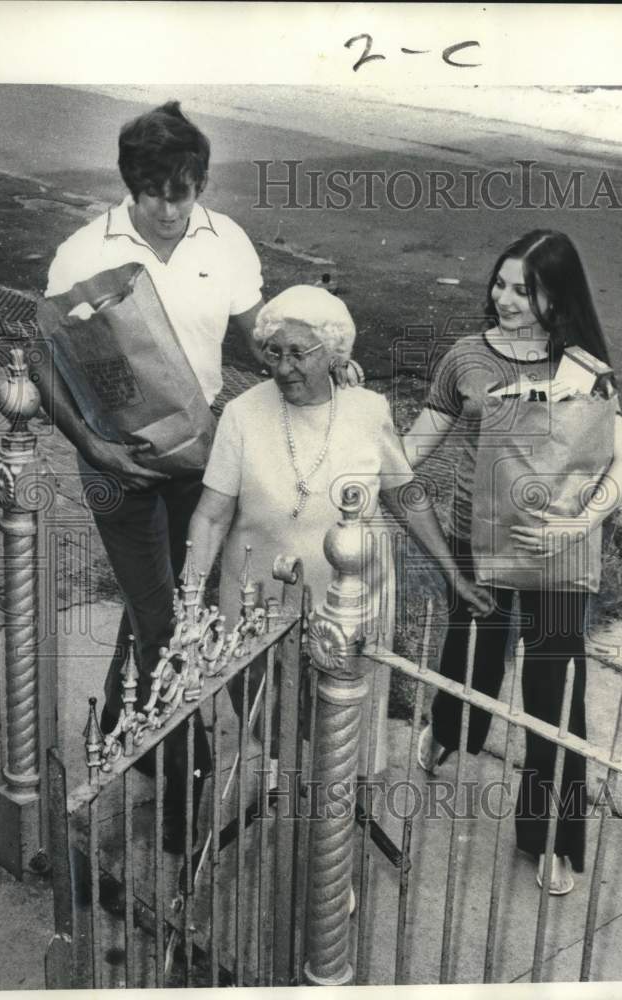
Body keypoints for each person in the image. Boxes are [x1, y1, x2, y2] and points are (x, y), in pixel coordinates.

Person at [34, 101, 265, 853]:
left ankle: (115, 717)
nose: (170, 208)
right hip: (114, 465)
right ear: (129, 185)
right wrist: (92, 449)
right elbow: (45, 361)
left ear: (199, 183)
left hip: (195, 455)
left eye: (184, 190)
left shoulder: (223, 239)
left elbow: (252, 334)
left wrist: (313, 360)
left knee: (173, 600)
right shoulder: (81, 252)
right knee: (165, 620)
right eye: (154, 192)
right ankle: (180, 790)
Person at [403, 229, 622, 894]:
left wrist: (578, 522)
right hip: (472, 540)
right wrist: (366, 459)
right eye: (500, 285)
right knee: (470, 650)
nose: (505, 299)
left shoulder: (582, 369)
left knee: (552, 694)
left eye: (524, 289)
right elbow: (417, 441)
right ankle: (452, 728)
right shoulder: (466, 357)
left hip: (555, 553)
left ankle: (549, 837)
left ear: (555, 296)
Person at [184, 285, 493, 779]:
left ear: (333, 353)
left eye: (299, 354)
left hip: (350, 603)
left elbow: (406, 497)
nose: (283, 368)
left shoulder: (368, 411)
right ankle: (290, 807)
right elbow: (211, 515)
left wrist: (453, 575)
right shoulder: (242, 414)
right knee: (274, 728)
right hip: (260, 601)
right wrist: (190, 600)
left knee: (342, 731)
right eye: (274, 352)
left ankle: (332, 816)